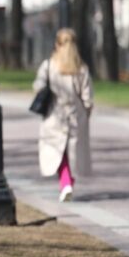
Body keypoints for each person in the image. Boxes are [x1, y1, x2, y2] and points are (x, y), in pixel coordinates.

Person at [32, 28, 93, 202]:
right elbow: (87, 96)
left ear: (57, 44)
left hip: (54, 113)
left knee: (56, 150)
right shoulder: (81, 68)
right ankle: (68, 182)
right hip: (76, 115)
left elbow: (38, 85)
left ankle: (65, 182)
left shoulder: (49, 65)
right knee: (72, 152)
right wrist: (87, 112)